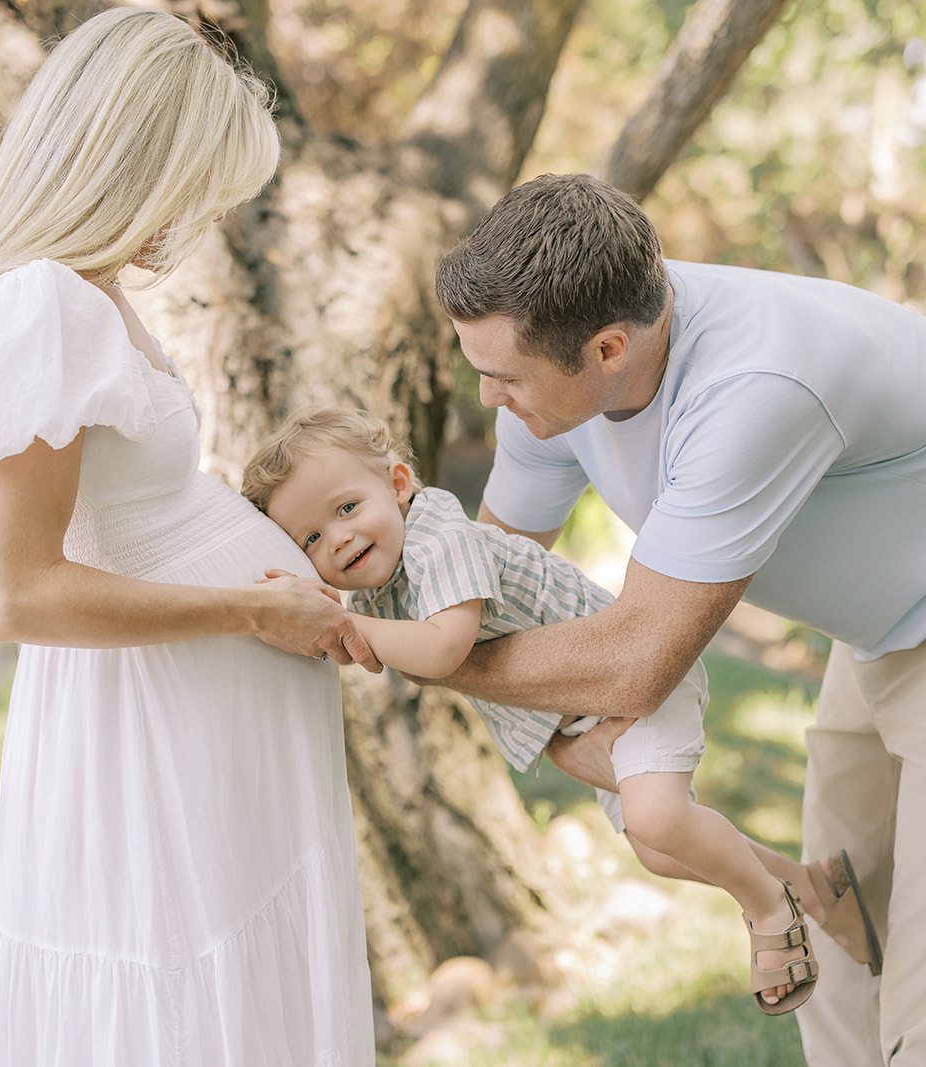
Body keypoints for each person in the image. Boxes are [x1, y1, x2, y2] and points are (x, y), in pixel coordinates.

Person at [428, 173, 926, 1065]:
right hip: (879, 621)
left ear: (607, 348)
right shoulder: (551, 377)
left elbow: (636, 658)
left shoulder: (754, 383)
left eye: (503, 378)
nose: (488, 401)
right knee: (838, 921)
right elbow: (486, 590)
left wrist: (427, 661)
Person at [0, 10, 377, 1064]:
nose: (196, 220)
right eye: (193, 187)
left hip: (193, 714)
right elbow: (11, 594)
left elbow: (140, 506)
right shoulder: (44, 306)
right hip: (142, 728)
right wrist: (255, 603)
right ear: (129, 162)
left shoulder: (93, 295)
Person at [242, 407, 891, 1015]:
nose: (341, 538)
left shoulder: (440, 537)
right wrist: (322, 620)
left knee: (658, 815)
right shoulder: (382, 590)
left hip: (634, 673)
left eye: (348, 507)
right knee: (660, 847)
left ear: (400, 482)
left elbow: (441, 649)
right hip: (590, 710)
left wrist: (335, 622)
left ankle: (771, 910)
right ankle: (813, 888)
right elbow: (380, 649)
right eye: (313, 538)